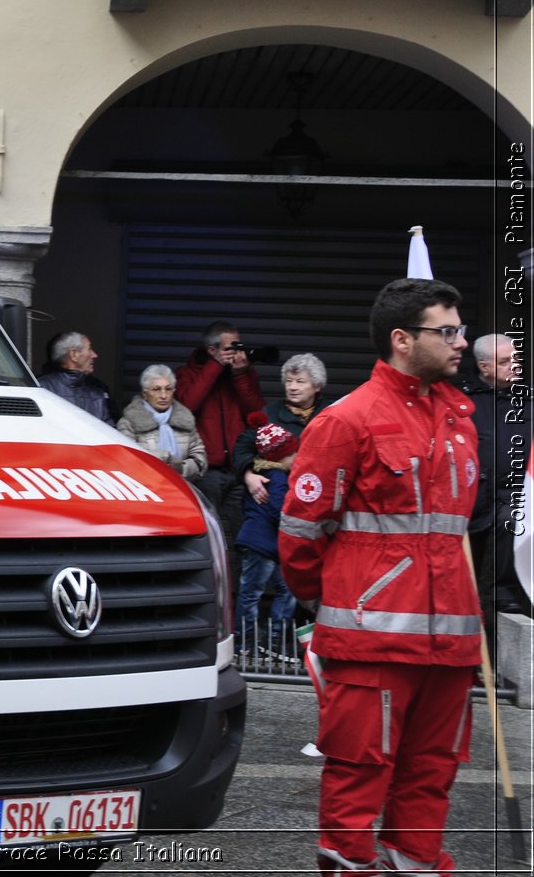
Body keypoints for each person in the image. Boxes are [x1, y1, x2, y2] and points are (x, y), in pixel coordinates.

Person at [280, 279, 480, 875]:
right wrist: (343, 603)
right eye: (446, 331)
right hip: (372, 640)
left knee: (431, 777)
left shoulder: (461, 418)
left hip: (450, 643)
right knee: (359, 777)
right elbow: (300, 536)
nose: (460, 342)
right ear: (402, 339)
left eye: (460, 330)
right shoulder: (347, 420)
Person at [232, 353, 330, 663]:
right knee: (257, 587)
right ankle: (250, 644)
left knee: (297, 588)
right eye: (289, 381)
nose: (293, 387)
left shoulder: (329, 417)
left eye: (300, 381)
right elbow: (243, 447)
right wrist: (248, 474)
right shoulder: (270, 414)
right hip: (270, 512)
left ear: (316, 386)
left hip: (310, 516)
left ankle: (282, 644)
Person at [459, 333, 528, 623]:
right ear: (484, 367)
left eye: (516, 358)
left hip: (513, 501)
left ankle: (507, 597)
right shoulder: (461, 400)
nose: (514, 365)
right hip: (471, 502)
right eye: (504, 361)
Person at [177, 320, 266, 544]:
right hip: (207, 472)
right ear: (211, 350)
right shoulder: (187, 373)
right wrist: (215, 367)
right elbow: (187, 406)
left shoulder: (244, 375)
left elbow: (256, 414)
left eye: (239, 346)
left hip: (239, 470)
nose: (237, 352)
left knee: (245, 537)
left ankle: (242, 580)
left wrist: (241, 375)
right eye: (230, 348)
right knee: (208, 538)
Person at [115, 363, 207, 480]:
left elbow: (200, 460)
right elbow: (126, 460)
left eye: (168, 389)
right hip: (146, 489)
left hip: (182, 488)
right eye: (156, 389)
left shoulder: (185, 420)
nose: (163, 395)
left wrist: (180, 469)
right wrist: (160, 462)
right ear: (145, 394)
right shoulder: (129, 423)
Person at [37, 331, 113, 423]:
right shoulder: (40, 389)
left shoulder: (97, 393)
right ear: (74, 354)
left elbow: (109, 433)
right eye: (89, 349)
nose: (94, 355)